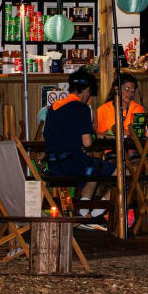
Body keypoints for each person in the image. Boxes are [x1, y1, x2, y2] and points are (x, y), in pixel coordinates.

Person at [43, 69, 112, 219]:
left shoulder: (54, 107)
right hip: (72, 165)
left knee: (92, 170)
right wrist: (95, 135)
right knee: (123, 172)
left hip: (53, 166)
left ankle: (83, 213)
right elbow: (87, 143)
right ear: (87, 90)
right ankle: (97, 213)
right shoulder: (82, 108)